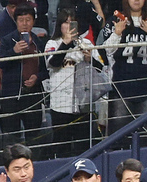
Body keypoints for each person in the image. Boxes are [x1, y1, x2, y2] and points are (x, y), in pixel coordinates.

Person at [99, 0, 147, 135]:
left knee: (145, 137)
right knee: (118, 137)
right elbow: (106, 51)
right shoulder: (115, 20)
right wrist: (117, 34)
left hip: (146, 88)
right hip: (119, 89)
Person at [44, 11, 103, 158]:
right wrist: (65, 44)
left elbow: (100, 67)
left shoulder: (87, 43)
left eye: (73, 22)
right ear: (60, 25)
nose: (69, 26)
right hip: (60, 106)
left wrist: (89, 59)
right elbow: (52, 63)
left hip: (83, 105)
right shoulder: (52, 43)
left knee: (83, 148)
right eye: (66, 22)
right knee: (61, 147)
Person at [0, 6, 48, 142]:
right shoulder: (7, 40)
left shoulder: (39, 43)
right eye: (21, 20)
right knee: (12, 137)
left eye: (28, 20)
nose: (25, 24)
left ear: (33, 21)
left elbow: (46, 70)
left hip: (33, 96)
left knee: (34, 136)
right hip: (11, 97)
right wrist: (14, 51)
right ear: (16, 21)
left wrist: (37, 78)